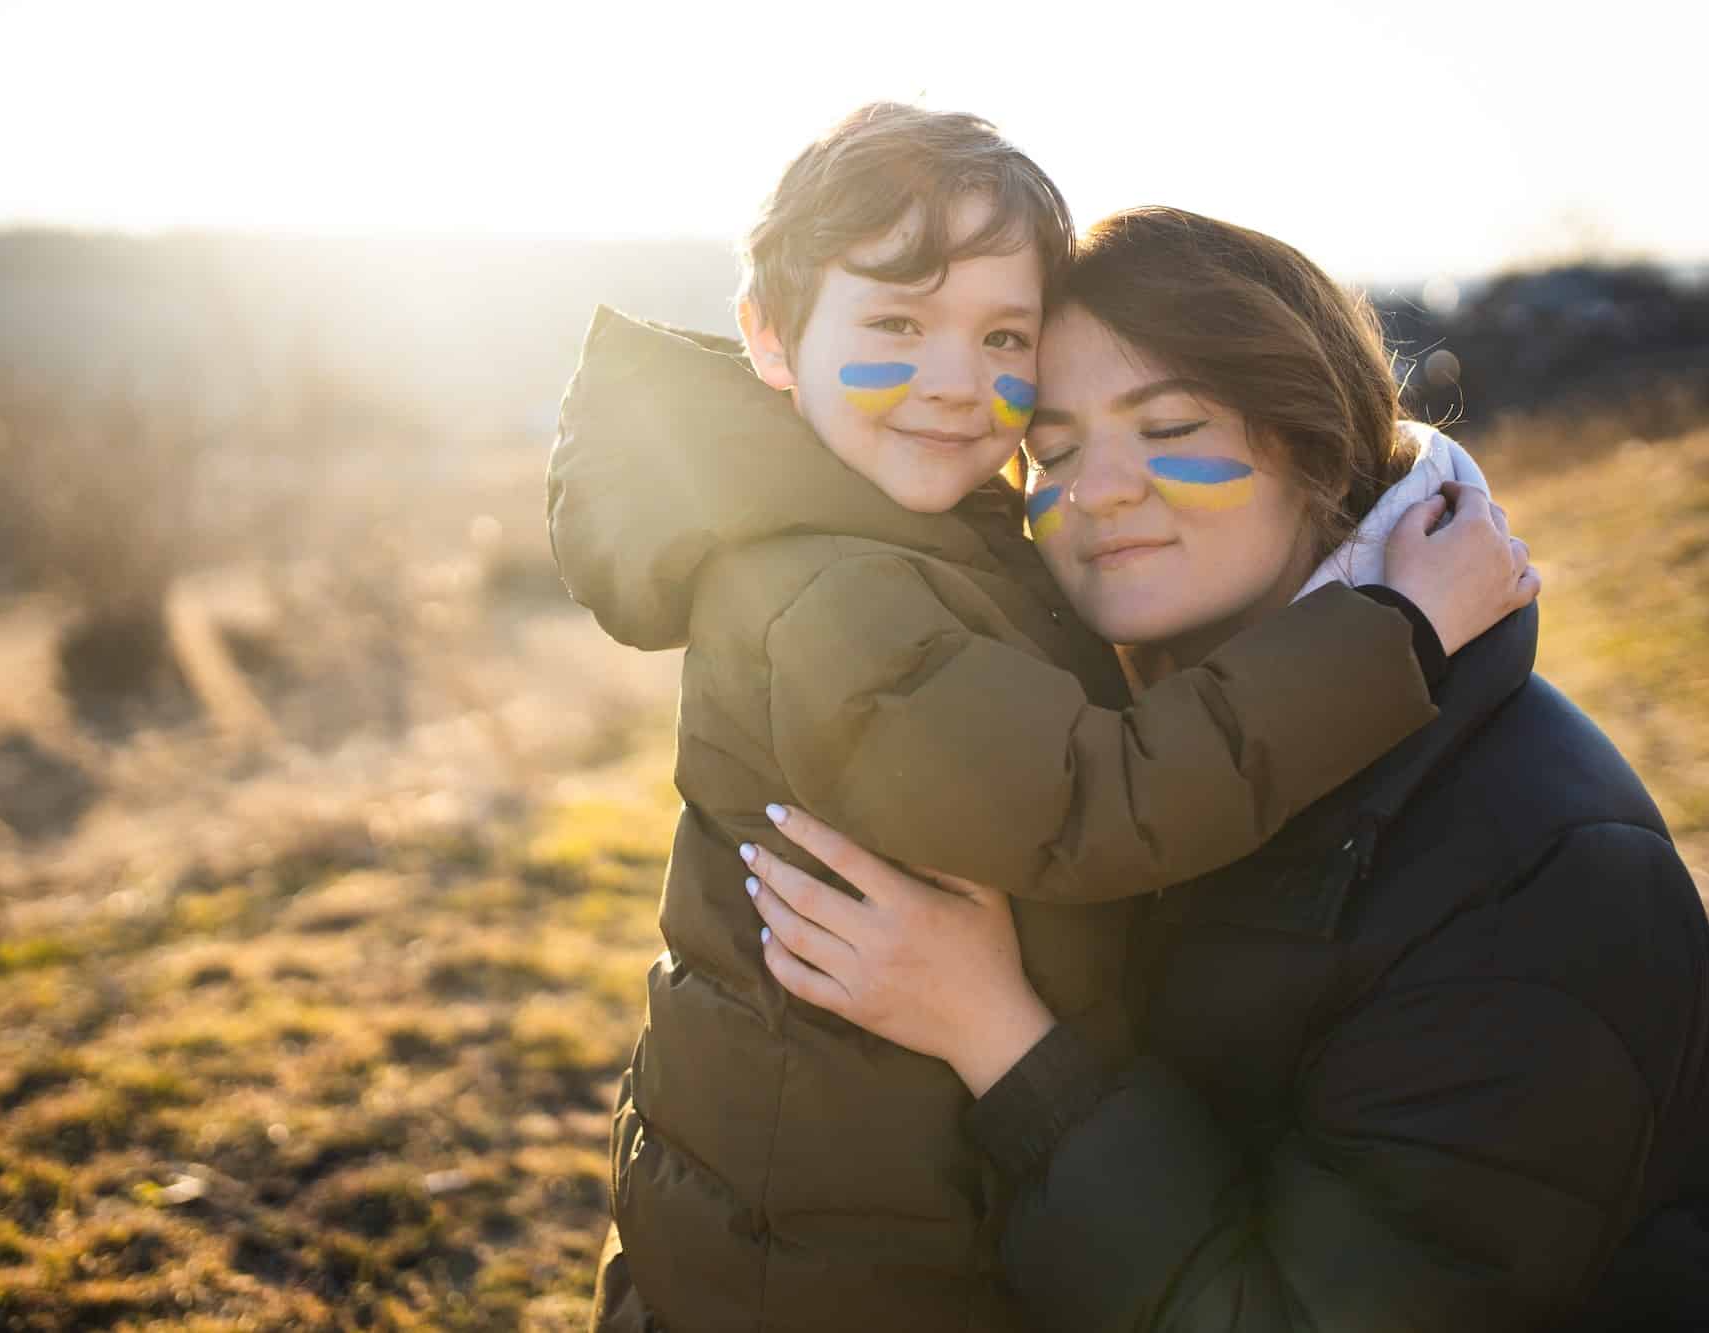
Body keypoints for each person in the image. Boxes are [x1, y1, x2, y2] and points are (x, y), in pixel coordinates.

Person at [746, 206, 1709, 1330]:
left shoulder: (1529, 873)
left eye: (1166, 423)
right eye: (1054, 448)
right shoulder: (1112, 756)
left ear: (1313, 447)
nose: (1096, 488)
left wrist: (1000, 1038)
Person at [546, 107, 1533, 1331]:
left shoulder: (908, 534)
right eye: (897, 324)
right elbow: (1093, 800)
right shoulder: (819, 585)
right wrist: (1395, 631)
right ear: (769, 338)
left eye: (1001, 335)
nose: (957, 382)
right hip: (827, 1258)